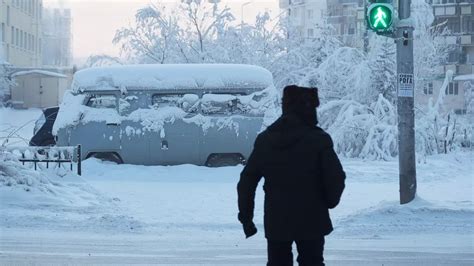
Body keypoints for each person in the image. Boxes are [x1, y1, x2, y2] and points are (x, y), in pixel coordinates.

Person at [237, 85, 346, 266]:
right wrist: (328, 202)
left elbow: (246, 182)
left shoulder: (265, 140)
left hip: (277, 220)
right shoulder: (319, 139)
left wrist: (246, 218)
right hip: (312, 218)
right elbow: (336, 177)